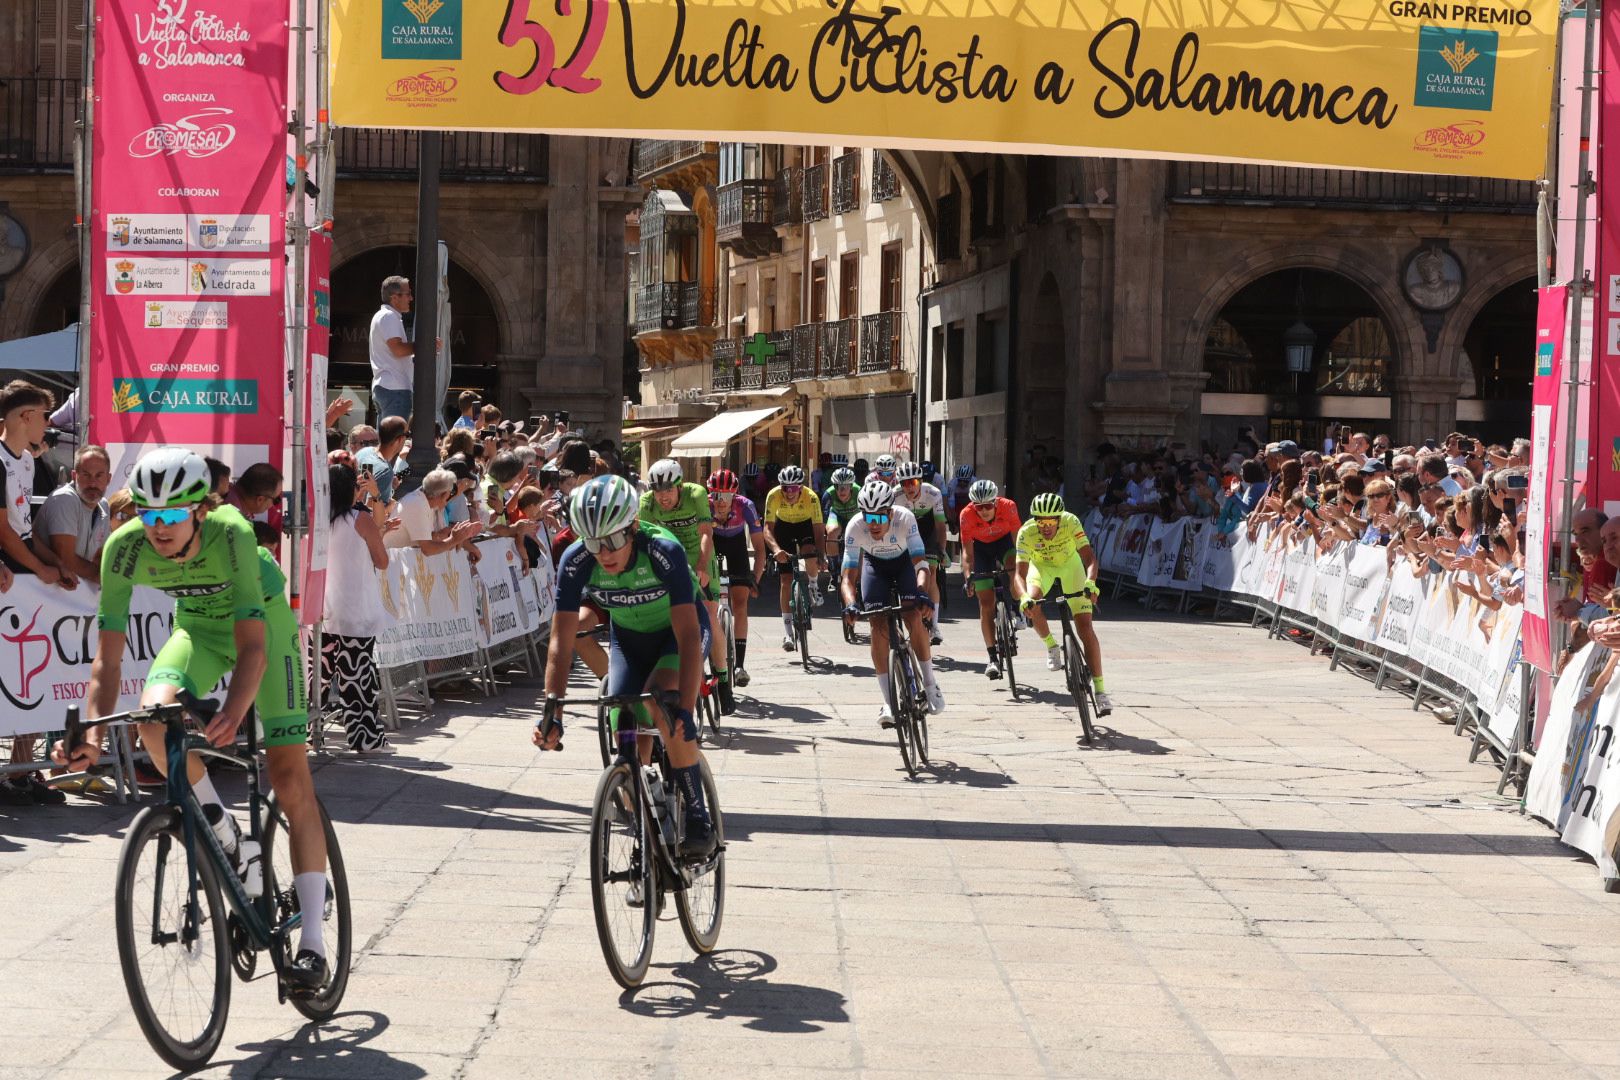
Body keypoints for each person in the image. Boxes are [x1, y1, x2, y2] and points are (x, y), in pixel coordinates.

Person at [56, 447, 331, 992]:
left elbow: (253, 646)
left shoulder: (232, 533)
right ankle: (228, 834)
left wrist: (232, 712)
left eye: (171, 516)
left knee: (287, 775)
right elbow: (107, 658)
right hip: (198, 632)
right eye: (147, 513)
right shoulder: (124, 548)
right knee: (152, 717)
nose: (157, 528)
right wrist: (91, 731)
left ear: (199, 511)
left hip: (266, 630)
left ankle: (314, 947)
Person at [535, 475, 717, 857]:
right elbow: (560, 639)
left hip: (676, 634)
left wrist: (684, 706)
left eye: (614, 540)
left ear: (633, 527)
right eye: (594, 542)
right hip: (629, 640)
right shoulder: (576, 561)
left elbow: (686, 634)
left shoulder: (663, 551)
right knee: (623, 717)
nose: (604, 553)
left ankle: (697, 813)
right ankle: (647, 823)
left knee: (661, 703)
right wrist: (553, 705)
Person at [839, 480, 945, 726]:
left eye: (878, 519)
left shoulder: (905, 518)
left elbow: (921, 564)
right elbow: (848, 577)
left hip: (905, 564)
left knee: (913, 616)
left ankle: (930, 684)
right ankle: (888, 702)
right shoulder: (855, 528)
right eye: (868, 518)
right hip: (875, 567)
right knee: (877, 624)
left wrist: (921, 593)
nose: (872, 525)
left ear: (890, 512)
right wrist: (851, 604)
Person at [640, 458, 734, 713]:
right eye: (658, 491)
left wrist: (702, 567)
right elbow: (642, 539)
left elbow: (706, 532)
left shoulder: (696, 494)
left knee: (709, 613)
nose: (663, 497)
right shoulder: (647, 502)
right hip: (670, 556)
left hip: (698, 554)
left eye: (668, 490)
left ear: (679, 486)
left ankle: (724, 680)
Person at [1016, 492, 1110, 716]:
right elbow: (1019, 575)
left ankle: (1100, 691)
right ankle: (1051, 645)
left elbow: (1089, 558)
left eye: (1050, 522)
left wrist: (1090, 583)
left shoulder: (1071, 522)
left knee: (1085, 627)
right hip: (1042, 568)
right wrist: (1024, 598)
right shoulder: (1026, 533)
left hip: (1071, 566)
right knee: (1033, 602)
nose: (1045, 527)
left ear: (1059, 518)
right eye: (1040, 522)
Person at [321, 464, 392, 752]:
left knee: (319, 678)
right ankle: (366, 737)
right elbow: (382, 560)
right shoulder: (359, 518)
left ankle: (306, 733)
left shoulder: (319, 519)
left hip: (325, 611)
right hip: (356, 612)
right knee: (357, 679)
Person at [958, 479, 1022, 680]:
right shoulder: (966, 515)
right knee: (986, 603)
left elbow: (1019, 541)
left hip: (1005, 542)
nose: (984, 511)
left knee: (1013, 565)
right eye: (979, 507)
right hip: (981, 549)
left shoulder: (1009, 507)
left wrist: (1021, 569)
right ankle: (993, 657)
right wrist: (968, 577)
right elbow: (967, 553)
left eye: (988, 506)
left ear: (996, 503)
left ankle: (1018, 608)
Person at [708, 468, 765, 688]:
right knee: (710, 606)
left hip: (737, 548)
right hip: (712, 545)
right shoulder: (704, 506)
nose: (721, 501)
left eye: (726, 496)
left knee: (741, 603)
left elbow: (760, 548)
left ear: (735, 494)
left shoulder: (746, 506)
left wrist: (755, 579)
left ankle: (739, 665)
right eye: (716, 495)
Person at [763, 464, 827, 650]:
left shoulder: (811, 498)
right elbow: (767, 529)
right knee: (785, 579)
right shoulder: (774, 495)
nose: (789, 493)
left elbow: (818, 529)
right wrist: (776, 550)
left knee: (809, 550)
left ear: (801, 487)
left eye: (794, 489)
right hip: (783, 527)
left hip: (805, 525)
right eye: (785, 488)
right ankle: (788, 632)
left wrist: (821, 555)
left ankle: (813, 585)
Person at [38, 443, 112, 586]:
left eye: (99, 476)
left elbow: (101, 557)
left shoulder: (103, 505)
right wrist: (107, 577)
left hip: (73, 597)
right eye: (86, 475)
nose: (93, 483)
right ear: (74, 475)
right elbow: (66, 560)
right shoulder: (65, 498)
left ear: (108, 479)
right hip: (42, 593)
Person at [892, 461, 947, 644]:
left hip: (928, 530)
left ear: (921, 482)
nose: (909, 488)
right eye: (904, 483)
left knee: (930, 573)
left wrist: (942, 550)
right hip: (906, 531)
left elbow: (940, 525)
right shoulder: (895, 496)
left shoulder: (933, 493)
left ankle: (935, 625)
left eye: (913, 483)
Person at [385, 467, 480, 553]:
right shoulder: (418, 504)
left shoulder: (424, 500)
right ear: (444, 494)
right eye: (450, 493)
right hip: (390, 564)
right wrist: (454, 540)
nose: (451, 497)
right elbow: (428, 549)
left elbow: (437, 536)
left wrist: (457, 536)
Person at [369, 275, 422, 422]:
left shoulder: (384, 316)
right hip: (395, 388)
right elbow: (398, 350)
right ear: (395, 297)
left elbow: (395, 353)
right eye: (408, 294)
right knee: (394, 441)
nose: (411, 298)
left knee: (387, 441)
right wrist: (424, 346)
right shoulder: (389, 316)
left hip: (387, 387)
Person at [820, 466, 860, 589]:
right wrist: (822, 552)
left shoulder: (860, 492)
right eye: (838, 486)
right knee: (832, 532)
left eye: (846, 486)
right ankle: (834, 572)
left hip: (855, 516)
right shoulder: (828, 494)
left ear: (852, 486)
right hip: (836, 515)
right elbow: (823, 524)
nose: (842, 490)